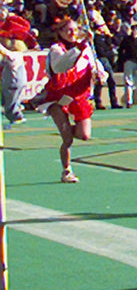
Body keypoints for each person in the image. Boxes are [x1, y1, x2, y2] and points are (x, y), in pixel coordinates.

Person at [27, 13, 103, 182]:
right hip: (59, 97)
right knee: (67, 138)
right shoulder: (56, 49)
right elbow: (62, 65)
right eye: (68, 30)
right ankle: (67, 170)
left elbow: (95, 65)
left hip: (79, 96)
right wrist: (81, 47)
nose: (72, 33)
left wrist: (101, 74)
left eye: (75, 30)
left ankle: (68, 131)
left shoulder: (86, 48)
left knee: (85, 135)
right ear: (60, 31)